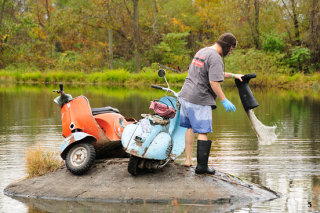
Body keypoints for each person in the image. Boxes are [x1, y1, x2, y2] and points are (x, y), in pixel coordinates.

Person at [179, 33, 243, 174]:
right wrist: (224, 100)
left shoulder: (203, 51)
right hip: (199, 98)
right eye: (231, 49)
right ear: (226, 46)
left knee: (189, 127)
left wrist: (233, 75)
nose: (231, 52)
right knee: (203, 131)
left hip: (185, 95)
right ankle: (202, 167)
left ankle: (188, 161)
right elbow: (213, 82)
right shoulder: (215, 57)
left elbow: (211, 72)